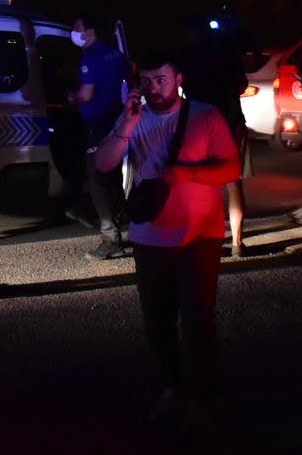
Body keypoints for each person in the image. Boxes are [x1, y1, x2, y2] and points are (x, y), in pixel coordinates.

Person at [95, 47, 240, 425]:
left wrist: (187, 174)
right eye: (147, 81)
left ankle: (202, 396)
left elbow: (230, 166)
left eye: (162, 79)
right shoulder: (133, 117)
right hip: (149, 237)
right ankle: (172, 388)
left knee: (197, 319)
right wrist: (126, 124)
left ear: (178, 80)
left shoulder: (205, 117)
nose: (154, 88)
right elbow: (104, 163)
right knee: (157, 321)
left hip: (199, 236)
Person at [180, 19, 251, 257]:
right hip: (230, 121)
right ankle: (238, 243)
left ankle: (208, 240)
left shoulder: (188, 58)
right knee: (233, 183)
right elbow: (242, 85)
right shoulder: (226, 52)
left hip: (200, 125)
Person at [67, 14, 131, 260]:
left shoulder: (90, 59)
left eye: (78, 27)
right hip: (116, 119)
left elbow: (86, 94)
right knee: (112, 176)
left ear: (90, 31)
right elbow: (131, 79)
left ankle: (111, 238)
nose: (74, 31)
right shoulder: (116, 55)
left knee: (96, 177)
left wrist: (72, 98)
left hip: (98, 123)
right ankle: (124, 222)